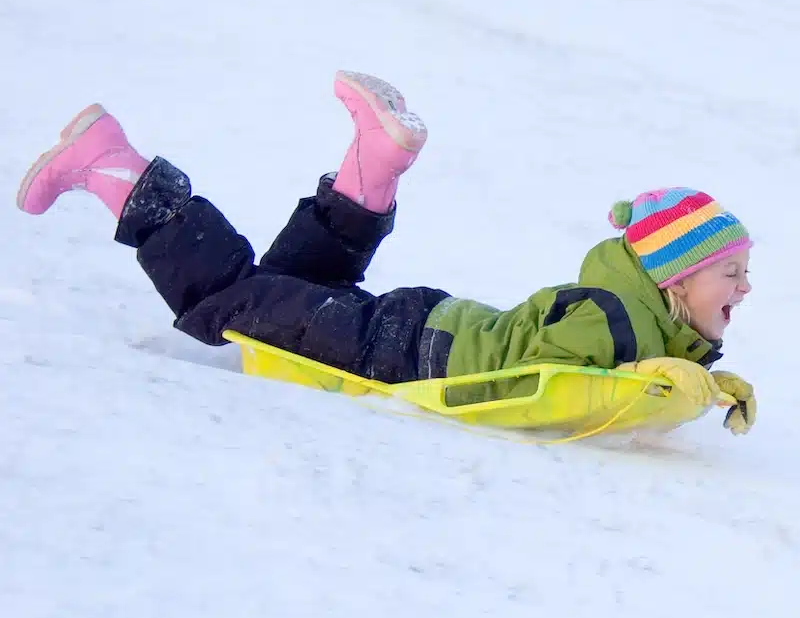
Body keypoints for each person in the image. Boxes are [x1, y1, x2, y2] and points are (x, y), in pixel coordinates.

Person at [15, 70, 758, 434]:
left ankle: (373, 167)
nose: (746, 288)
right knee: (224, 304)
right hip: (402, 353)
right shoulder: (615, 320)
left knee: (286, 287)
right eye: (730, 273)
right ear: (671, 278)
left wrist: (693, 376)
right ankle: (112, 166)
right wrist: (658, 375)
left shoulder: (637, 316)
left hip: (418, 336)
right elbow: (556, 379)